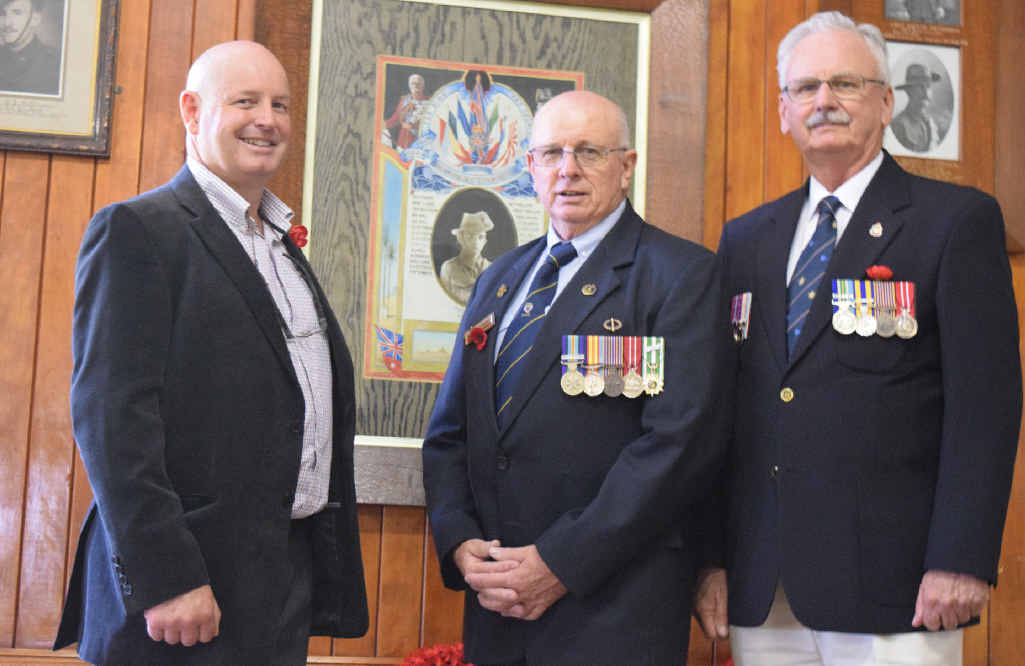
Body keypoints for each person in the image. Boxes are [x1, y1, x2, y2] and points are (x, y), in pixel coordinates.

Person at [696, 11, 1020, 666]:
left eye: (844, 83)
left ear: (885, 101)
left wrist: (961, 559)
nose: (823, 102)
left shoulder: (953, 223)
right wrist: (711, 560)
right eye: (805, 88)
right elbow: (723, 414)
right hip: (766, 583)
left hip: (896, 585)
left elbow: (984, 410)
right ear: (783, 111)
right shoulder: (746, 238)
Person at [53, 41, 369, 665]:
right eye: (245, 101)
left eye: (280, 104)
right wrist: (168, 578)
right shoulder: (139, 231)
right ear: (192, 111)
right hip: (181, 601)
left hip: (279, 584)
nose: (268, 119)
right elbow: (114, 420)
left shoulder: (281, 247)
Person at [422, 90, 728, 665]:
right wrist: (460, 541)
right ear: (531, 168)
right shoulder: (500, 279)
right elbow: (450, 434)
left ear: (627, 166)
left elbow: (676, 447)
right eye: (551, 153)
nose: (569, 170)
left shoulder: (679, 275)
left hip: (612, 608)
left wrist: (559, 562)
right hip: (499, 608)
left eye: (589, 151)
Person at [0, 0, 59, 94]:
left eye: (17, 13)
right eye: (2, 13)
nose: (7, 23)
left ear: (35, 19)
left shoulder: (55, 65)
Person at [439, 210, 493, 304]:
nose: (475, 242)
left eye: (480, 237)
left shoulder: (492, 269)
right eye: (470, 236)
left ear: (484, 241)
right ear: (461, 238)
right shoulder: (449, 268)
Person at [889, 63, 942, 152]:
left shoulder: (932, 124)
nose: (926, 93)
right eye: (920, 87)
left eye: (928, 86)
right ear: (909, 91)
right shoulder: (899, 125)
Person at [384, 73, 427, 149]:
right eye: (413, 83)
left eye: (418, 83)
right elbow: (396, 118)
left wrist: (414, 127)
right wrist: (383, 125)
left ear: (423, 86)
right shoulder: (404, 100)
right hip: (403, 140)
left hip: (420, 140)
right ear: (409, 85)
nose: (416, 86)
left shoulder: (429, 102)